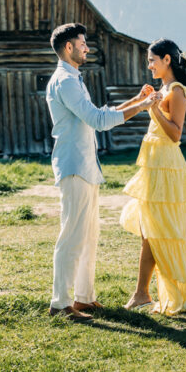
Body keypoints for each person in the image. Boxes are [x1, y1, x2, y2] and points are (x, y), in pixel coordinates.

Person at [45, 22, 156, 322]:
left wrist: (135, 100)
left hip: (85, 166)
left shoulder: (73, 78)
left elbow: (98, 113)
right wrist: (143, 105)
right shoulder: (65, 81)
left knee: (88, 236)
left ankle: (83, 299)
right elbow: (98, 120)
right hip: (74, 166)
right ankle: (60, 303)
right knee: (72, 236)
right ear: (69, 47)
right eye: (82, 43)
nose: (87, 48)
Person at [120, 38, 186, 315]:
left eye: (152, 60)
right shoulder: (163, 89)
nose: (149, 65)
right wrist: (147, 100)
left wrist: (153, 108)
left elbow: (176, 133)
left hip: (166, 166)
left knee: (156, 231)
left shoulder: (177, 90)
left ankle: (142, 293)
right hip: (154, 165)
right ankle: (142, 292)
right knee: (149, 230)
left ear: (167, 59)